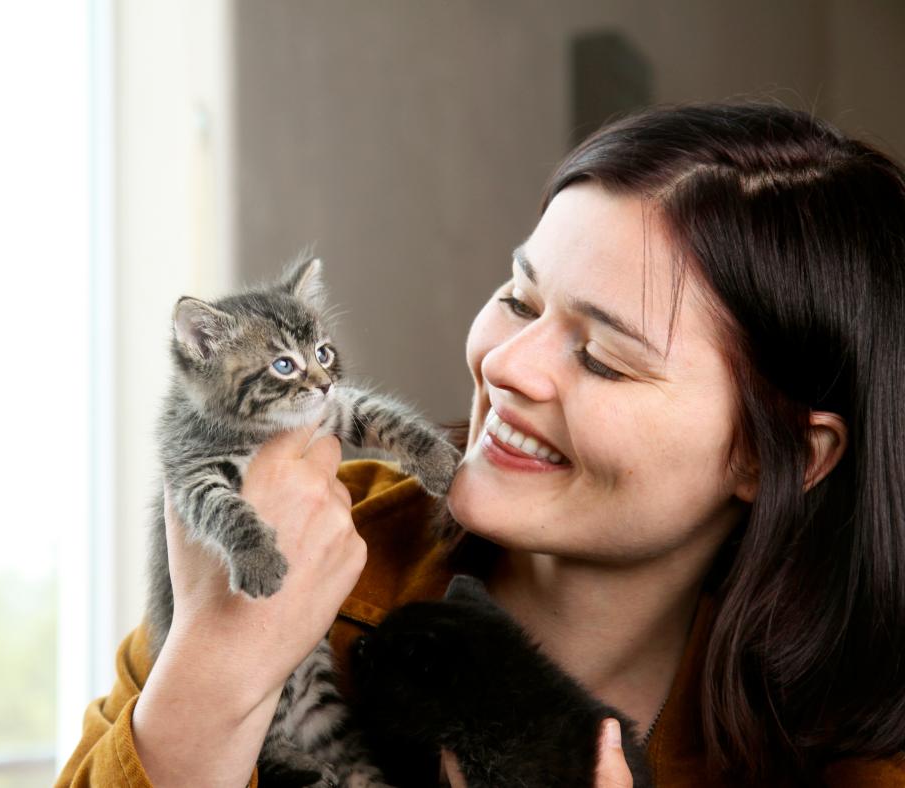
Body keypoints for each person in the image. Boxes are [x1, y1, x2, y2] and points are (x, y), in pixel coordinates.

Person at [57, 103, 905, 787]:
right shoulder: (302, 537)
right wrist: (212, 671)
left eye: (605, 357)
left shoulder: (855, 751)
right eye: (521, 299)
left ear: (772, 454)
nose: (505, 365)